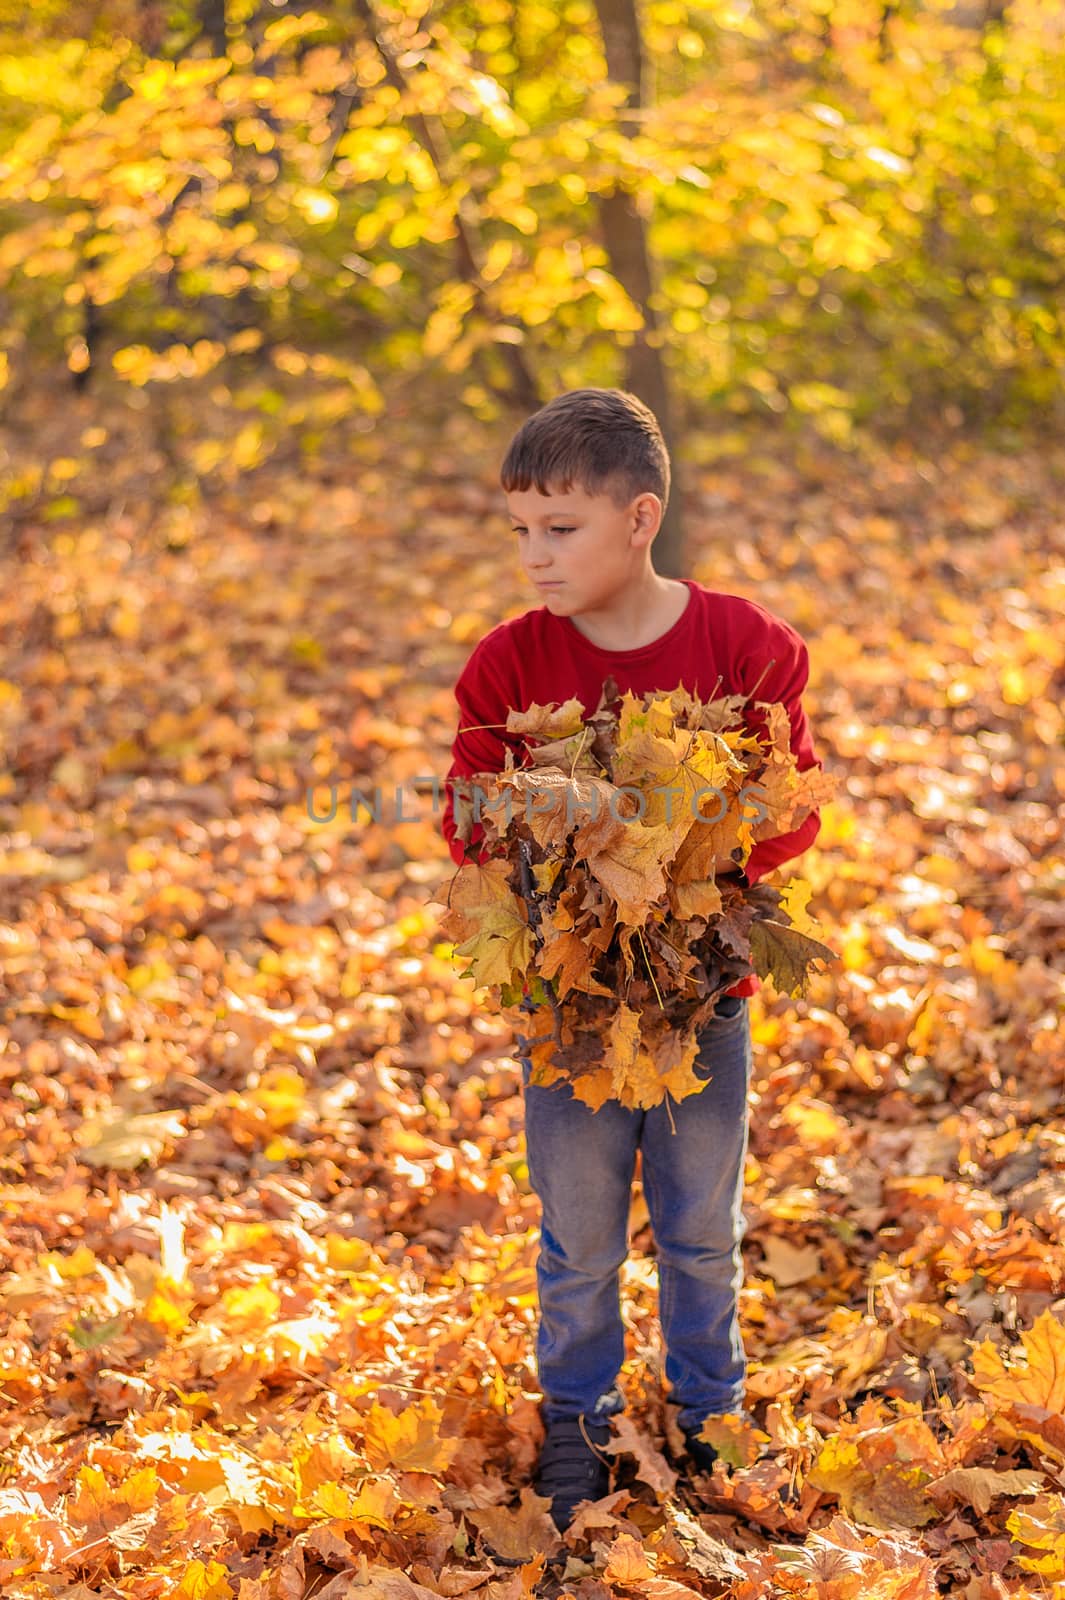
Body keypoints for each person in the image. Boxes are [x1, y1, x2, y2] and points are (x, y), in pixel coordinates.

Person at [439, 388, 824, 1532]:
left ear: (641, 516)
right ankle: (578, 1417)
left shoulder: (747, 646)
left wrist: (684, 836)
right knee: (580, 1231)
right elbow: (468, 819)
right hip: (570, 995)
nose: (534, 555)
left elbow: (791, 806)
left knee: (703, 1222)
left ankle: (712, 1409)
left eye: (560, 528)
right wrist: (567, 831)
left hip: (701, 990)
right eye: (519, 529)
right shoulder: (507, 666)